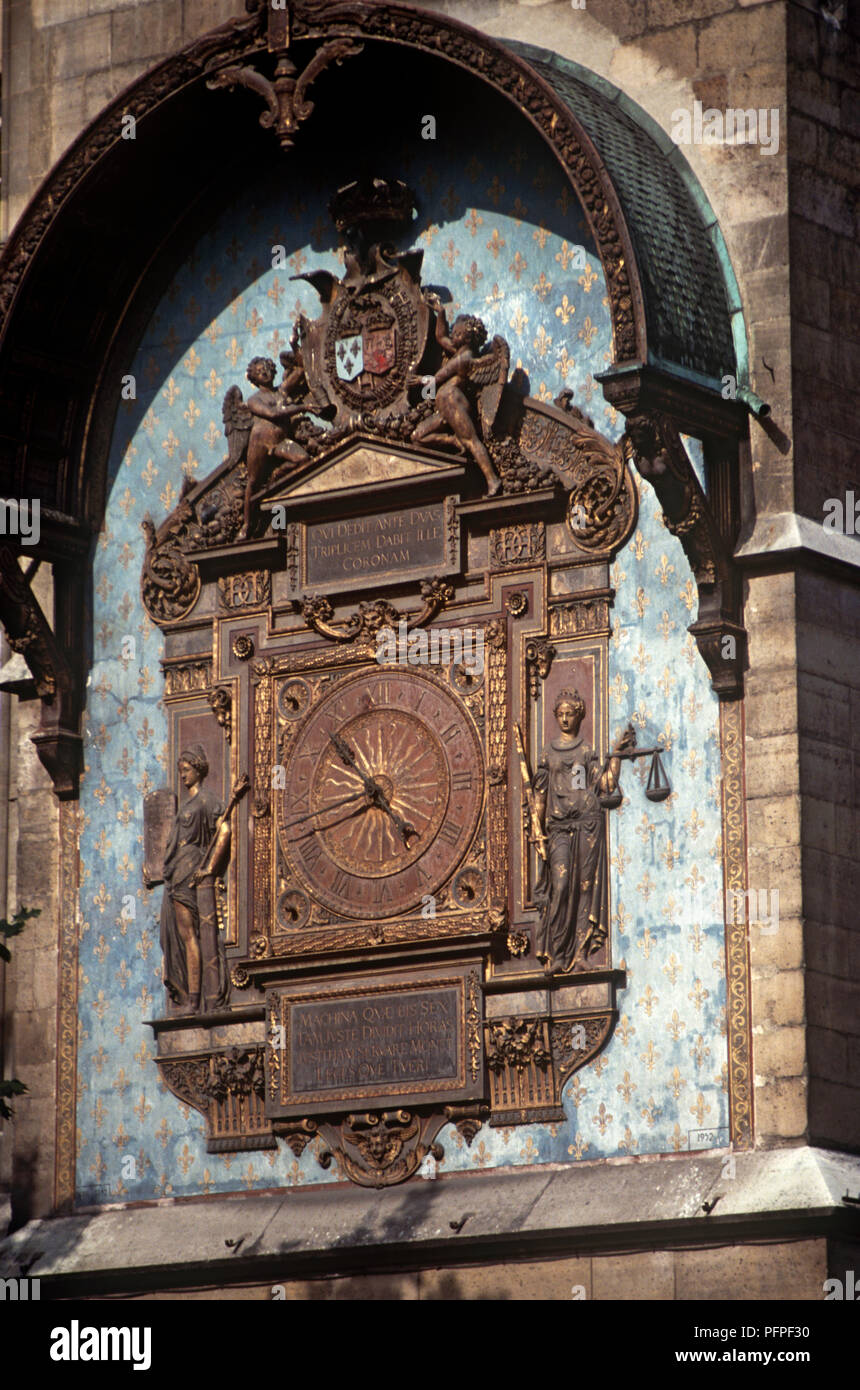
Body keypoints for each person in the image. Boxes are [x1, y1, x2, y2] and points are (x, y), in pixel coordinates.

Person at [533, 690, 634, 973]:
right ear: (555, 716)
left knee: (584, 888)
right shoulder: (548, 753)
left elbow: (604, 786)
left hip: (588, 824)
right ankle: (558, 954)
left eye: (570, 714)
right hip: (559, 829)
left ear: (579, 715)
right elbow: (538, 796)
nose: (565, 719)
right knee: (561, 886)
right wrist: (536, 831)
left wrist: (616, 753)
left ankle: (580, 954)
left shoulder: (586, 751)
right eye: (561, 714)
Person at [157, 745, 231, 1013]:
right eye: (180, 771)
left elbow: (224, 830)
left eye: (187, 770)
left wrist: (210, 868)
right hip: (177, 872)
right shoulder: (186, 803)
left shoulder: (207, 800)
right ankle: (191, 994)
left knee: (191, 936)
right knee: (182, 935)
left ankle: (194, 998)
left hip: (191, 869)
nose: (183, 775)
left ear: (199, 769)